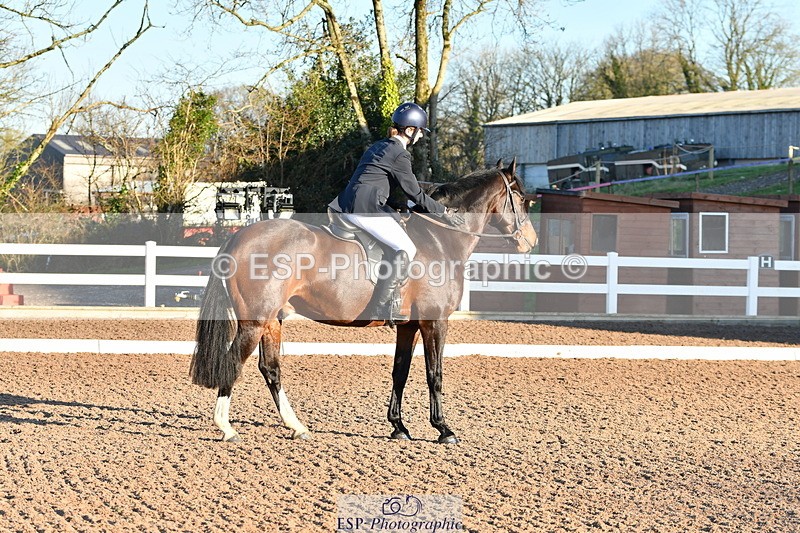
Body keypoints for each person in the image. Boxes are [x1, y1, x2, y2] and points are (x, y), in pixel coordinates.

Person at [329, 102, 464, 323]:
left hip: (346, 203)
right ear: (410, 130)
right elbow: (415, 193)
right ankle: (381, 306)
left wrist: (398, 208)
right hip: (365, 209)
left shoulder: (379, 146)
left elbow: (378, 182)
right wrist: (444, 211)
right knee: (407, 248)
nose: (421, 137)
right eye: (420, 132)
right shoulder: (400, 154)